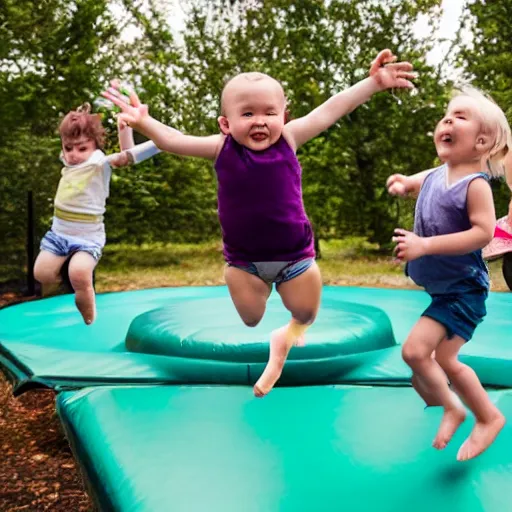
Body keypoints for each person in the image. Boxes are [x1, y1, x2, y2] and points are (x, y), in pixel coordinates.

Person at [103, 49, 416, 397]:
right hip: (244, 263)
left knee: (306, 315)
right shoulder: (221, 149)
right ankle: (268, 311)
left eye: (270, 112)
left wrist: (372, 84)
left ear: (283, 115)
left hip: (295, 257)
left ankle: (282, 341)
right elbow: (173, 141)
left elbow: (331, 109)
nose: (260, 121)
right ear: (226, 124)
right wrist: (144, 122)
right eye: (247, 113)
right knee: (251, 317)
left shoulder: (289, 138)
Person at [387, 85, 511, 461]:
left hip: (464, 292)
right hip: (444, 289)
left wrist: (424, 246)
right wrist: (404, 183)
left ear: (481, 142)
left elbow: (483, 233)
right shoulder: (440, 173)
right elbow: (420, 182)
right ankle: (441, 396)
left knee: (423, 354)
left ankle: (479, 415)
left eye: (460, 117)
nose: (446, 120)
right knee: (428, 362)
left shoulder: (475, 187)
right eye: (446, 114)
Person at [34, 101, 160, 325]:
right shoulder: (69, 162)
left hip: (87, 238)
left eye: (82, 148)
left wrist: (151, 139)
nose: (74, 154)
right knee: (41, 274)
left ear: (95, 145)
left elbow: (128, 155)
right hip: (59, 234)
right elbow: (70, 141)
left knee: (79, 274)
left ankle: (87, 310)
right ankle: (65, 268)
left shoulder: (100, 163)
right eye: (68, 148)